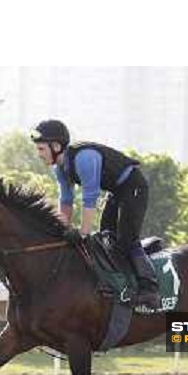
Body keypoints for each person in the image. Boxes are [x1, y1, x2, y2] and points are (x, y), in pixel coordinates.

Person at [31, 119, 160, 309]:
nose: (39, 154)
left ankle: (150, 289)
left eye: (41, 149)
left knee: (125, 239)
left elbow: (89, 198)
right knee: (106, 239)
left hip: (134, 187)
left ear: (56, 146)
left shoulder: (84, 158)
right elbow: (66, 201)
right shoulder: (60, 169)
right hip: (116, 191)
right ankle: (119, 283)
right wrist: (62, 229)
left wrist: (82, 232)